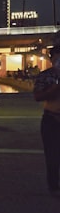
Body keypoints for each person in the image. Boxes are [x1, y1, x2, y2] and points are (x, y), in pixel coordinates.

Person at [33, 45, 60, 197]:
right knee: (52, 156)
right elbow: (38, 96)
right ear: (52, 59)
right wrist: (55, 88)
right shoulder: (45, 76)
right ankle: (54, 186)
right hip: (52, 119)